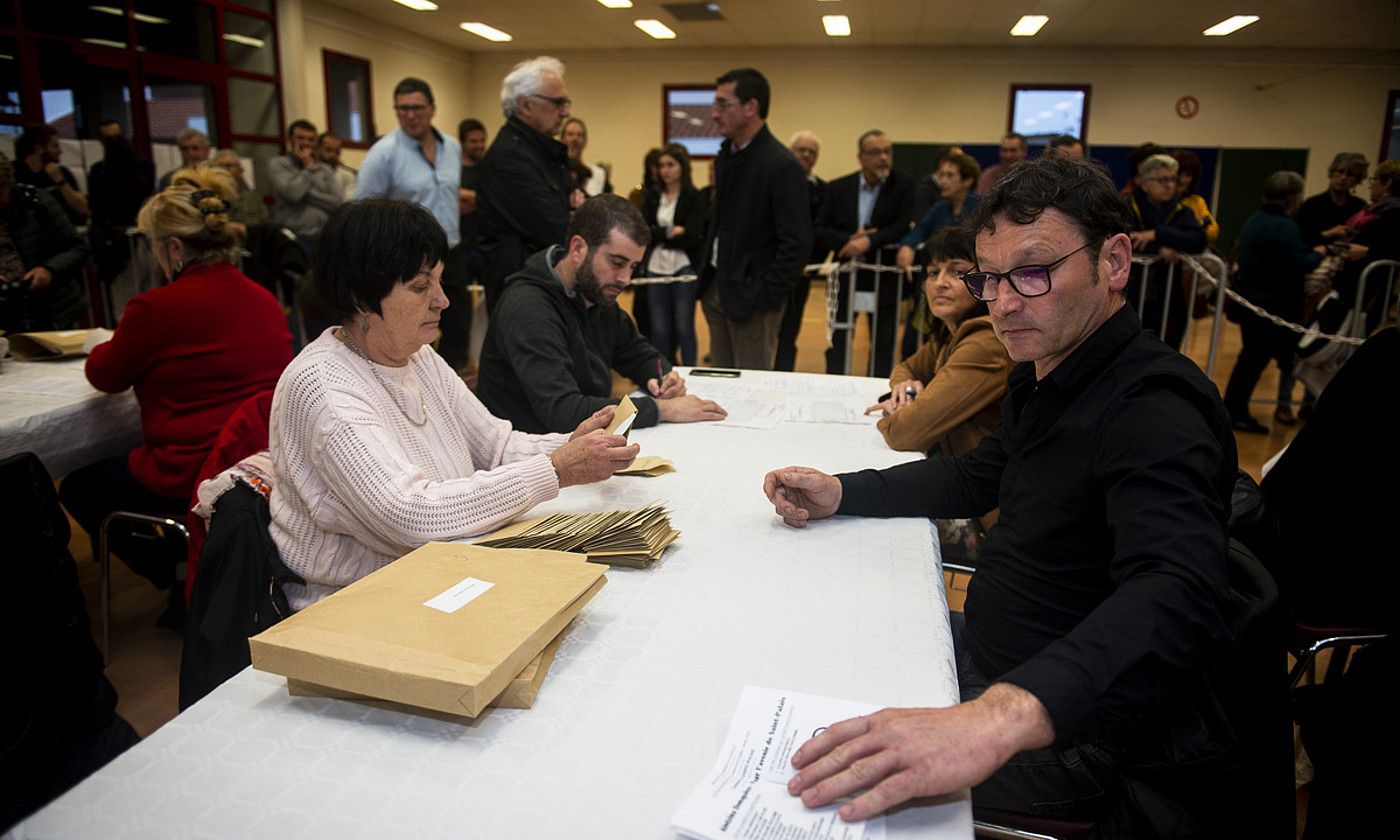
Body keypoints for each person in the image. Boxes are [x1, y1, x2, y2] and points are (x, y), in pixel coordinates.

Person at [765, 156, 1251, 835]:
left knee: (798, 790)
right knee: (795, 647)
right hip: (994, 659)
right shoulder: (1050, 370)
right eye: (988, 278)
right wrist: (842, 491)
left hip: (1074, 732)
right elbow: (976, 475)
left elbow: (1178, 592)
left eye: (1032, 271)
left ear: (1114, 262)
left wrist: (992, 721)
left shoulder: (1154, 410)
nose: (1004, 302)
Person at [268, 199, 638, 609]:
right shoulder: (323, 388)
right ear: (360, 297)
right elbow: (412, 516)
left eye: (440, 283)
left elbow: (495, 446)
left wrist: (569, 444)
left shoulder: (417, 356)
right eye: (421, 287)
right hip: (358, 603)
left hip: (439, 573)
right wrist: (556, 468)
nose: (442, 300)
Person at [59, 165, 292, 624]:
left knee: (79, 485)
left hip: (188, 470)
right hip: (260, 462)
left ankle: (172, 573)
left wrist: (99, 343)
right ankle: (189, 567)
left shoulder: (154, 308)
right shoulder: (263, 300)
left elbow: (104, 374)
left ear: (174, 247)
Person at [476, 194, 726, 434]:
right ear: (577, 249)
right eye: (617, 263)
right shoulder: (528, 308)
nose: (625, 279)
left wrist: (661, 375)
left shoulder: (595, 294)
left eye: (633, 267)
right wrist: (662, 409)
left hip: (575, 447)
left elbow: (639, 354)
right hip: (527, 458)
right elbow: (564, 412)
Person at [864, 227, 1013, 564]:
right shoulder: (950, 335)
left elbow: (905, 432)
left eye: (958, 272)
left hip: (989, 515)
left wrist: (901, 406)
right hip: (963, 489)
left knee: (870, 528)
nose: (940, 282)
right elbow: (903, 369)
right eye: (933, 272)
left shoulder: (986, 342)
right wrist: (910, 386)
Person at [700, 67, 812, 371]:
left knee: (751, 390)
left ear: (751, 108)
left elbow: (797, 243)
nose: (714, 113)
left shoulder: (781, 165)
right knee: (721, 384)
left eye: (723, 105)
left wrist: (765, 296)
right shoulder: (727, 157)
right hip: (717, 289)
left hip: (752, 300)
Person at [357, 79, 470, 372]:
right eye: (402, 109)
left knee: (458, 322)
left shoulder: (452, 147)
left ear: (432, 109)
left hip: (450, 250)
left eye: (417, 108)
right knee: (413, 329)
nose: (410, 115)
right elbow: (364, 212)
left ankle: (451, 381)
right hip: (406, 259)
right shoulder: (383, 154)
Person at [478, 56, 582, 312]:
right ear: (525, 105)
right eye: (557, 102)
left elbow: (572, 204)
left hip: (541, 286)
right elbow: (556, 226)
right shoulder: (510, 157)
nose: (566, 112)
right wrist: (571, 209)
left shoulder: (542, 152)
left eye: (565, 103)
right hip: (522, 294)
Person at [1221, 171, 1323, 433]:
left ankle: (1234, 410)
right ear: (1294, 198)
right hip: (1269, 305)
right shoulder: (1284, 225)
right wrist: (1319, 254)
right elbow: (1299, 263)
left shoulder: (1257, 219)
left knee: (1250, 359)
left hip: (1252, 301)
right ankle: (1235, 412)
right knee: (1253, 360)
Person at [814, 129, 914, 377]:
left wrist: (868, 241)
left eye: (887, 152)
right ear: (860, 157)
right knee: (840, 337)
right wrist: (850, 239)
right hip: (847, 276)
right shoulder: (838, 187)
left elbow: (901, 226)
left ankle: (877, 388)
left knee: (884, 340)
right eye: (876, 152)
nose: (883, 158)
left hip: (885, 276)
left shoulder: (903, 185)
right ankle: (835, 384)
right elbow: (821, 228)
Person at [0, 151, 89, 333]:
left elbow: (77, 247)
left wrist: (49, 270)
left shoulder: (36, 201)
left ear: (8, 182)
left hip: (52, 311)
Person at [1124, 153, 1207, 349]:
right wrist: (1160, 249)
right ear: (1144, 183)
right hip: (1131, 295)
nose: (1170, 185)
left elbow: (1199, 239)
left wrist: (1156, 234)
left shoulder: (1181, 210)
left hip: (1168, 298)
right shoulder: (1127, 206)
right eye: (1162, 180)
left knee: (1167, 347)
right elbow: (1126, 240)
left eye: (1172, 179)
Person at [640, 144, 706, 365]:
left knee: (684, 327)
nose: (665, 170)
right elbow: (645, 232)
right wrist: (672, 231)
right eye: (661, 166)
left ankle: (690, 373)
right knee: (659, 329)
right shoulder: (652, 197)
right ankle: (662, 376)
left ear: (682, 167)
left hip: (683, 268)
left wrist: (664, 233)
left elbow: (694, 235)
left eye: (671, 165)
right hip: (655, 268)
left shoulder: (693, 197)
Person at [775, 130, 827, 372]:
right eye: (801, 149)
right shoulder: (774, 183)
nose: (806, 155)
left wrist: (808, 263)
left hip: (803, 274)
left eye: (811, 151)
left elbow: (821, 232)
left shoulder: (823, 191)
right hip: (773, 271)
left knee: (789, 332)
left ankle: (784, 376)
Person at [86, 120, 155, 287]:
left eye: (118, 136)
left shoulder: (144, 167)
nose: (116, 143)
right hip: (113, 240)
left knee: (148, 285)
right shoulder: (98, 171)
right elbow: (96, 208)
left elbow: (148, 198)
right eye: (109, 139)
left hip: (142, 235)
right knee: (123, 291)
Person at [894, 151, 981, 271]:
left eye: (950, 175)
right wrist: (907, 245)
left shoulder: (981, 207)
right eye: (942, 175)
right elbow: (920, 230)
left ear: (967, 181)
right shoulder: (940, 207)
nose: (943, 181)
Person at [267, 119, 343, 255]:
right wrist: (308, 169)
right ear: (290, 140)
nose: (306, 143)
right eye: (300, 138)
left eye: (311, 139)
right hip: (293, 238)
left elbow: (336, 203)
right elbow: (292, 194)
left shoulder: (324, 169)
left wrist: (304, 194)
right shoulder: (278, 164)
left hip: (325, 238)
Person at [14, 123, 89, 225]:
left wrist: (61, 182)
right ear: (39, 148)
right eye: (55, 146)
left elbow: (84, 209)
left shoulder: (61, 172)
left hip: (72, 232)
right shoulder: (16, 173)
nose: (60, 151)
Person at [1297, 152, 1368, 246]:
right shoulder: (1312, 204)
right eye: (1340, 171)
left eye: (1350, 174)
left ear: (1357, 180)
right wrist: (1328, 234)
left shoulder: (1360, 206)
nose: (1343, 178)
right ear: (1331, 173)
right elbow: (1301, 240)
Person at [213, 149, 269, 238]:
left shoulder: (252, 198)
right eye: (219, 167)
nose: (223, 171)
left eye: (228, 166)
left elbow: (265, 228)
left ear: (240, 170)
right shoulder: (208, 199)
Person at [1170, 148, 1220, 245]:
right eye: (1179, 174)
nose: (1182, 180)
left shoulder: (1197, 201)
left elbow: (1213, 231)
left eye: (1187, 175)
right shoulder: (1161, 202)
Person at [560, 116, 611, 197]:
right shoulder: (555, 170)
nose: (574, 139)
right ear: (562, 139)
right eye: (570, 134)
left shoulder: (598, 173)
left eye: (579, 135)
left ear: (585, 141)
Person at [315, 132, 357, 202]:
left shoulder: (348, 175)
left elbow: (349, 203)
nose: (332, 155)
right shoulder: (309, 171)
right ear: (318, 149)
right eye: (328, 150)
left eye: (337, 152)